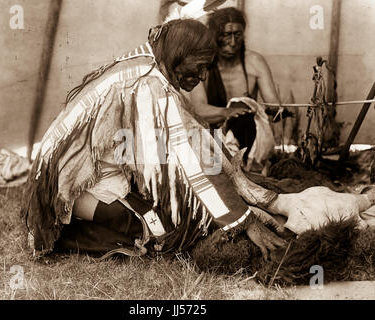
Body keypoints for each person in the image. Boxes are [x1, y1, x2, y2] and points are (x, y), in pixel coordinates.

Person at [21, 18, 286, 261]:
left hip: (90, 172)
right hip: (66, 184)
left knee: (159, 215)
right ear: (180, 54)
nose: (204, 76)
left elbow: (179, 140)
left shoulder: (148, 63)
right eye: (201, 66)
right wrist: (244, 220)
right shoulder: (150, 83)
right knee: (153, 231)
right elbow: (190, 157)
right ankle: (63, 229)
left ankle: (80, 221)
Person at [187, 7, 293, 168]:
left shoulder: (255, 62)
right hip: (211, 138)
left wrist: (281, 123)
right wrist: (228, 113)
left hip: (248, 138)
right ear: (213, 35)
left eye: (237, 35)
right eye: (225, 35)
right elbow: (199, 109)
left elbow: (273, 106)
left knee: (243, 116)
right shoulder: (203, 64)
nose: (232, 43)